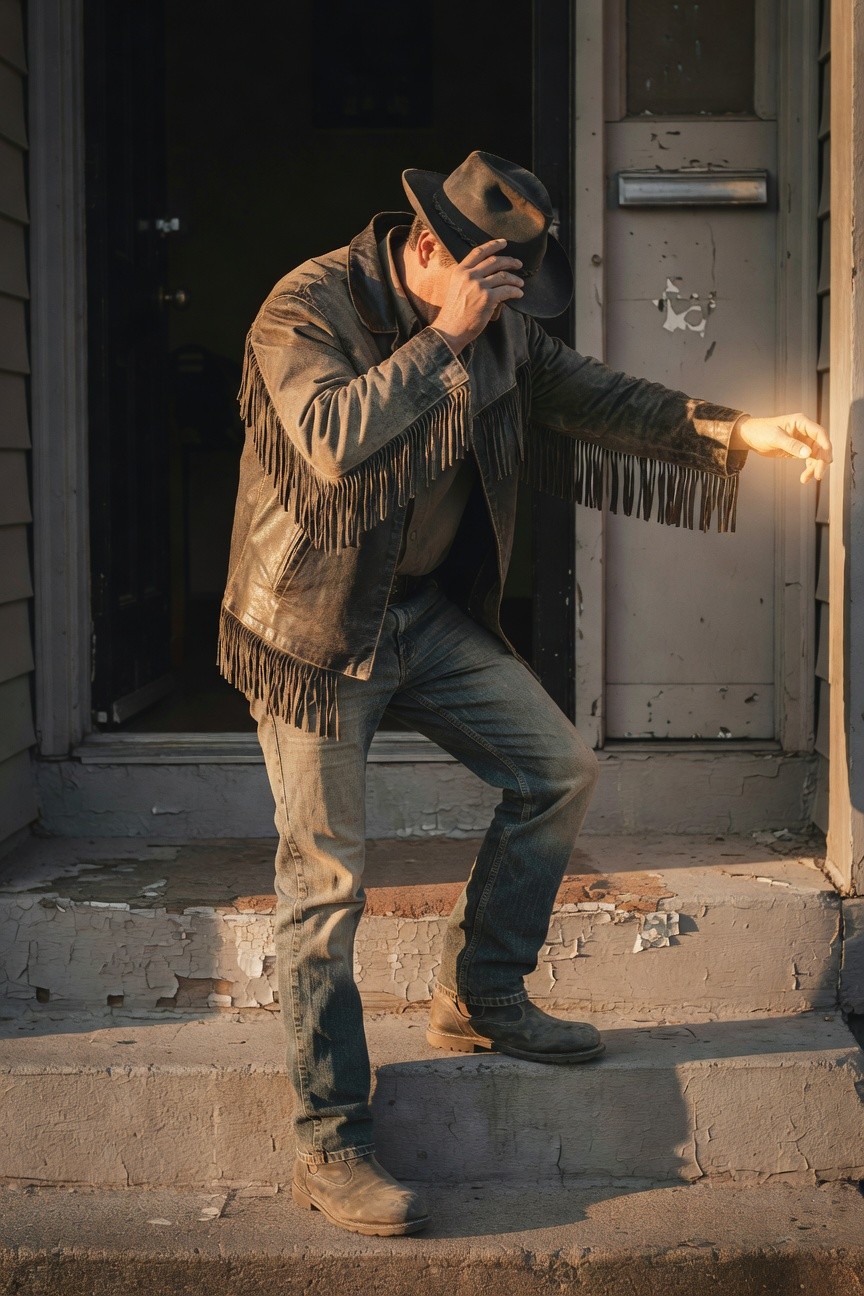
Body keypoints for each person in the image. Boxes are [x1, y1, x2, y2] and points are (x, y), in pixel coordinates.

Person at [219, 151, 831, 1237]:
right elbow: (328, 444)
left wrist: (735, 429)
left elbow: (594, 394)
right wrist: (443, 336)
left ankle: (480, 992)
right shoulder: (304, 306)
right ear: (425, 247)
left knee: (557, 770)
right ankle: (331, 1135)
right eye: (488, 285)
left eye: (507, 294)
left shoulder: (497, 326)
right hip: (314, 630)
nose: (502, 312)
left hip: (419, 617)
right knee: (324, 882)